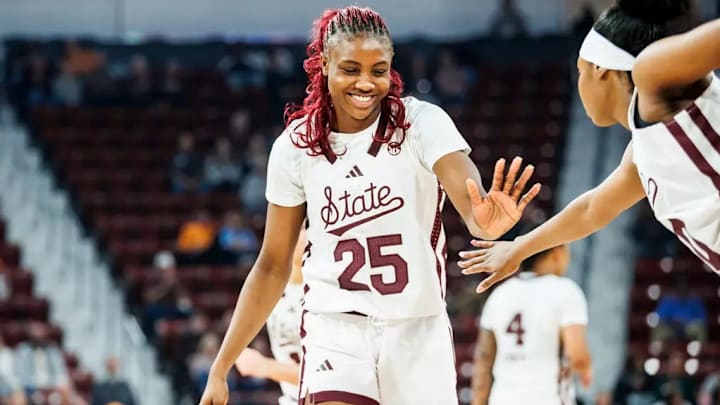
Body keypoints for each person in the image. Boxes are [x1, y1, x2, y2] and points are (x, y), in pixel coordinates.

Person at [199, 6, 540, 405]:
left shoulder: (422, 123)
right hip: (336, 328)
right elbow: (273, 265)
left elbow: (471, 201)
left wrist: (485, 222)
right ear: (324, 65)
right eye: (350, 68)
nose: (365, 82)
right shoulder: (295, 147)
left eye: (378, 70)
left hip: (417, 327)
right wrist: (221, 367)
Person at [459, 1, 720, 291]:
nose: (577, 84)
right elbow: (591, 209)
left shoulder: (652, 73)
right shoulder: (643, 152)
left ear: (599, 69)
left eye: (578, 71)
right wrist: (518, 249)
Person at [471, 243, 592, 405]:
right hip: (548, 398)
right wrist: (586, 369)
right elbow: (577, 356)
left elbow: (484, 360)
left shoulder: (499, 294)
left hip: (502, 399)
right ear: (557, 253)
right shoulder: (566, 290)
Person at [234, 227, 307, 405]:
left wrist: (264, 366)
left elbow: (332, 375)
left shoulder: (326, 295)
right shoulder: (273, 290)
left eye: (304, 228)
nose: (295, 235)